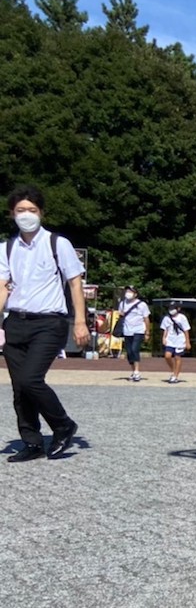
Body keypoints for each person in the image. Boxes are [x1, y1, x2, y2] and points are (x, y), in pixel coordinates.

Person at [0, 184, 90, 461]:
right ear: (12, 214)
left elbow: (75, 284)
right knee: (19, 387)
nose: (26, 215)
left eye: (32, 209)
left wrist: (80, 322)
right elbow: (2, 286)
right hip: (16, 322)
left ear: (41, 212)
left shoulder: (57, 244)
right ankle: (32, 442)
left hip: (49, 322)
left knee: (31, 379)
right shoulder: (6, 248)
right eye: (20, 210)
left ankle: (63, 425)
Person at [116, 285, 151, 382]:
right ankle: (133, 371)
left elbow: (146, 318)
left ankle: (137, 371)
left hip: (138, 329)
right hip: (127, 330)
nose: (128, 293)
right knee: (129, 352)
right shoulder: (123, 303)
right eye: (127, 291)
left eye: (131, 292)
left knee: (135, 349)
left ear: (135, 294)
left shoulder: (142, 304)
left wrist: (147, 332)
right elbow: (120, 314)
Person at [160, 304, 191, 383]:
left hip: (180, 340)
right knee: (167, 356)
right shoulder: (166, 318)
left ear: (178, 309)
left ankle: (175, 375)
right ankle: (173, 369)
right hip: (170, 339)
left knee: (177, 357)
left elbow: (186, 330)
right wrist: (163, 338)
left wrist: (187, 342)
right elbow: (165, 329)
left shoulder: (182, 317)